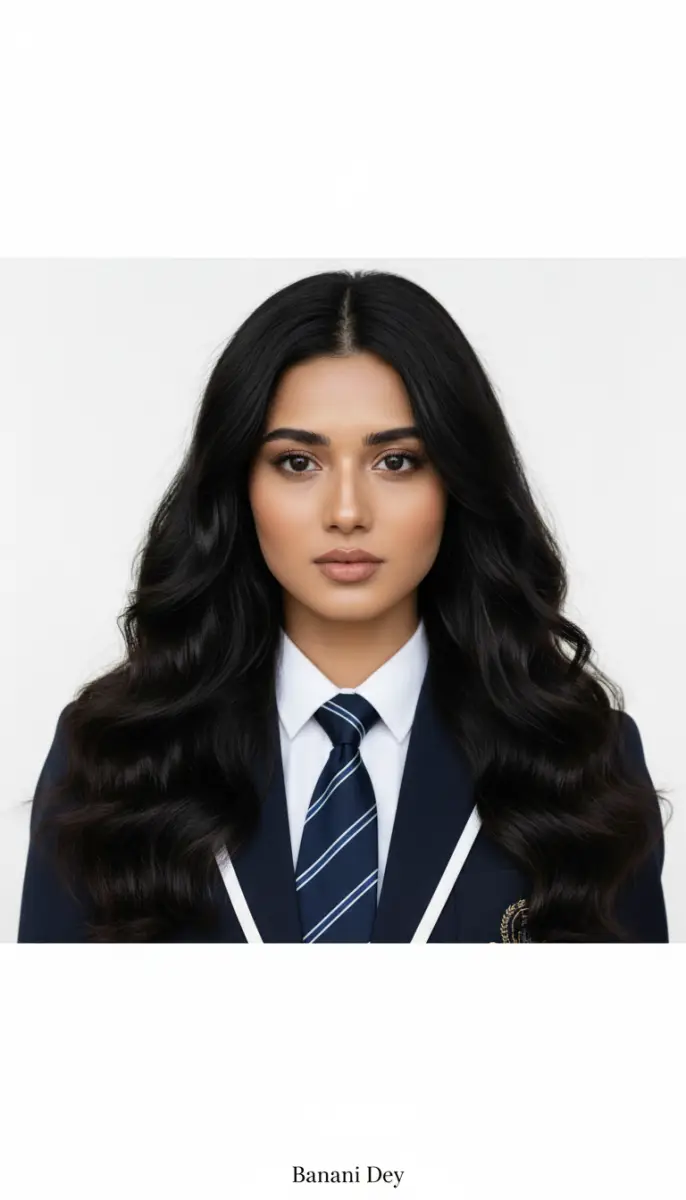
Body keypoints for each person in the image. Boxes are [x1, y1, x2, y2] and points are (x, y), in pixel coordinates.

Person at [17, 269, 669, 943]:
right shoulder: (113, 757)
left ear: (456, 481)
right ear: (239, 487)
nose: (348, 512)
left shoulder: (582, 760)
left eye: (397, 462)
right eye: (299, 463)